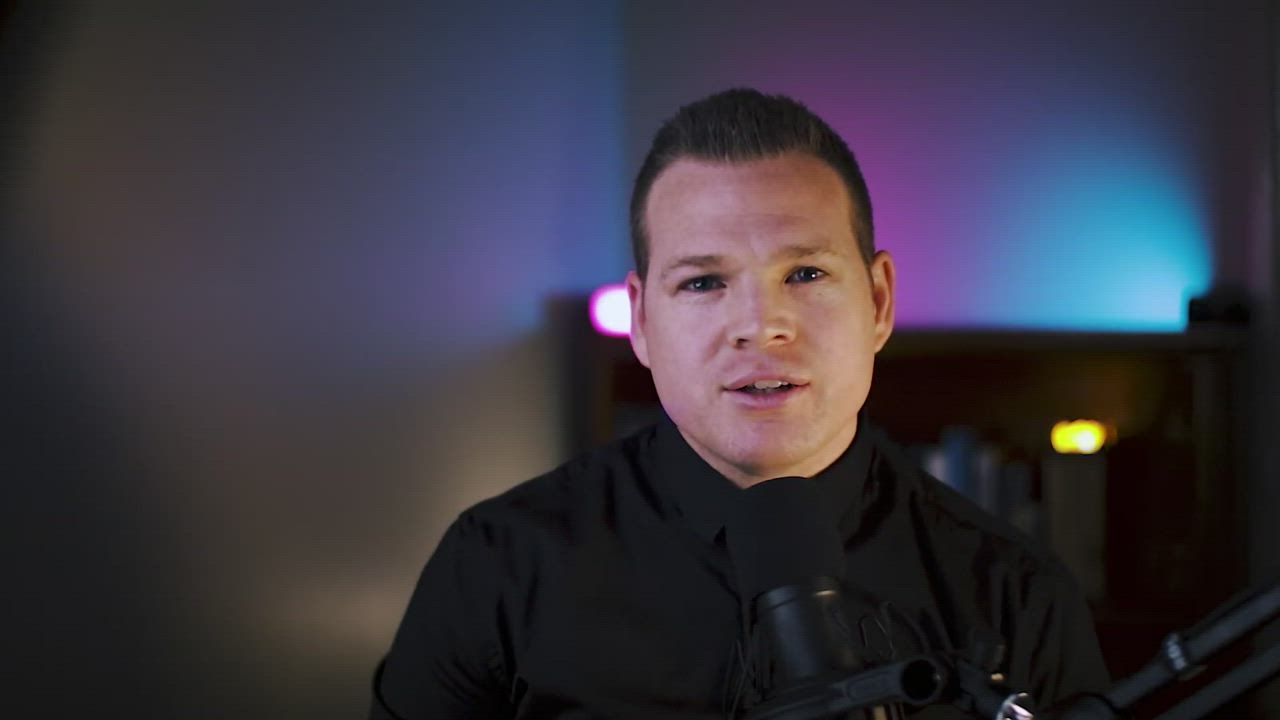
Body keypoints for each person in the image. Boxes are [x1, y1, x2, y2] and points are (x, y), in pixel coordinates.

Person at [369, 88, 1110, 719]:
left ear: (879, 301)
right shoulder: (498, 566)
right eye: (703, 283)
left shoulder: (1017, 595)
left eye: (806, 274)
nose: (760, 326)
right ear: (642, 322)